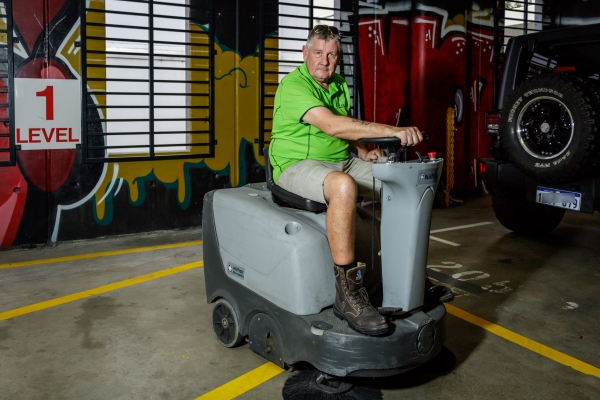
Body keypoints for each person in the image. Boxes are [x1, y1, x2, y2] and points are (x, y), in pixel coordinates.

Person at [269, 25, 424, 336]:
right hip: (295, 165)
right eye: (318, 53)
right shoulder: (293, 85)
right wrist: (392, 131)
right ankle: (348, 293)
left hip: (341, 160)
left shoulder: (338, 84)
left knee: (403, 182)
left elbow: (347, 133)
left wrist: (364, 151)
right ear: (304, 53)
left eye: (332, 54)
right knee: (343, 185)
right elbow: (333, 126)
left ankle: (404, 274)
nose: (325, 61)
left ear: (338, 58)